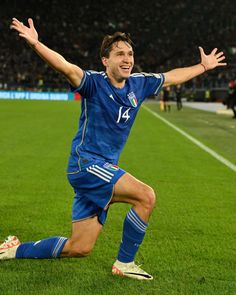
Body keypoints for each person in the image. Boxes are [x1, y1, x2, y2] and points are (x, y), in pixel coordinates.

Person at [0, 17, 226, 280]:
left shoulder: (139, 83)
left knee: (79, 247)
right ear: (105, 61)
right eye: (119, 54)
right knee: (145, 196)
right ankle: (125, 263)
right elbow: (65, 66)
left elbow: (172, 78)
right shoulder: (93, 83)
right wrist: (37, 44)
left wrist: (203, 66)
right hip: (86, 165)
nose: (127, 58)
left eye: (130, 53)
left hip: (102, 168)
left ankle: (14, 249)